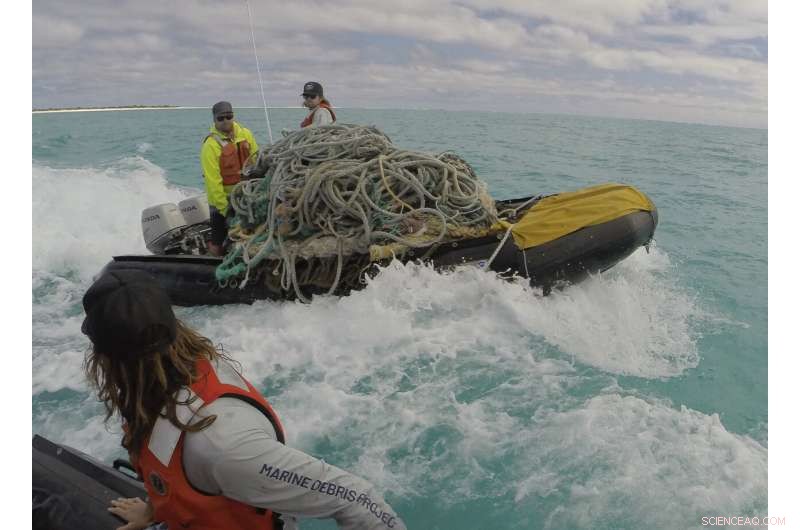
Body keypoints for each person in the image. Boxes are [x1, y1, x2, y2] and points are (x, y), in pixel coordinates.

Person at [82, 270, 406, 530]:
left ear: (108, 361)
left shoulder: (221, 446)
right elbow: (165, 459)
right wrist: (156, 509)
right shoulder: (159, 390)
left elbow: (359, 499)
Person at [201, 101, 259, 256]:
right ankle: (214, 256)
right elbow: (213, 182)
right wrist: (225, 209)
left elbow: (258, 160)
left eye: (229, 116)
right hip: (222, 201)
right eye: (221, 118)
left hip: (246, 195)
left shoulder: (246, 134)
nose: (226, 121)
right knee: (218, 240)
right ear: (214, 120)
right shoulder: (211, 145)